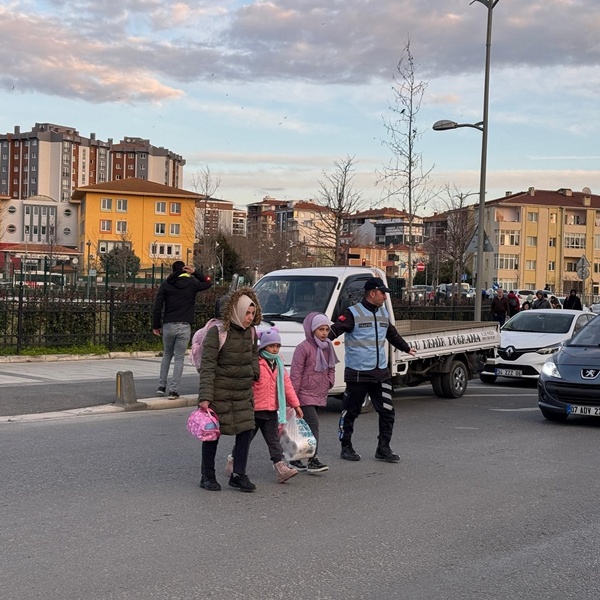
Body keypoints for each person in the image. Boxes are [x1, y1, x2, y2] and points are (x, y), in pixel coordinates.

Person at [328, 277, 417, 463]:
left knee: (387, 411)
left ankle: (383, 448)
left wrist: (406, 348)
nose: (385, 297)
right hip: (358, 373)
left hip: (380, 373)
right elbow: (334, 330)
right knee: (350, 412)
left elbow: (392, 334)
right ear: (372, 293)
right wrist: (319, 340)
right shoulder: (352, 313)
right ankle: (346, 447)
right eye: (383, 293)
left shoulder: (383, 313)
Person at [198, 287, 261, 493]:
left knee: (245, 430)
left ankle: (238, 475)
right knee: (212, 434)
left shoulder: (251, 333)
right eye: (246, 313)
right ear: (235, 311)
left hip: (243, 392)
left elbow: (254, 354)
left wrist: (254, 371)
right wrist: (206, 396)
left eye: (253, 313)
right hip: (220, 392)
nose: (250, 318)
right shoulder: (218, 332)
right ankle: (207, 475)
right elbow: (208, 365)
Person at [250, 328, 304, 484]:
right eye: (271, 346)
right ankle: (233, 461)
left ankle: (281, 468)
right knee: (246, 440)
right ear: (263, 347)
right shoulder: (257, 363)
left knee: (273, 440)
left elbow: (287, 385)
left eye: (277, 346)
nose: (274, 349)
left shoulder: (278, 363)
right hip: (255, 410)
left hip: (272, 409)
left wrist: (296, 405)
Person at [152, 260, 212, 398]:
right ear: (185, 270)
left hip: (168, 324)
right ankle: (174, 390)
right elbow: (208, 282)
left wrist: (156, 325)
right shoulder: (192, 284)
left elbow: (157, 307)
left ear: (173, 271)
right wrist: (195, 272)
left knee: (167, 354)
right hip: (184, 325)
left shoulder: (166, 284)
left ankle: (161, 386)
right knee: (179, 358)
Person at [290, 312, 339, 474]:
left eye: (326, 329)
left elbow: (332, 367)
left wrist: (330, 382)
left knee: (304, 428)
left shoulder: (328, 346)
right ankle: (313, 460)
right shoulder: (303, 348)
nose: (324, 333)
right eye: (320, 329)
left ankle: (295, 458)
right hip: (304, 394)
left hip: (319, 392)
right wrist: (293, 399)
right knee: (313, 425)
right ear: (312, 330)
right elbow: (296, 374)